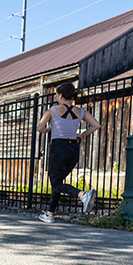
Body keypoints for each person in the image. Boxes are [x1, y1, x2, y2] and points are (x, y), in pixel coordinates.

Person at [35, 82, 101, 223]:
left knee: (56, 183)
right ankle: (49, 214)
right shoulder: (81, 111)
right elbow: (96, 125)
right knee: (57, 183)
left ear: (60, 95)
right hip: (73, 149)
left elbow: (39, 127)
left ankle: (83, 194)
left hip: (59, 148)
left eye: (56, 95)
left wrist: (48, 129)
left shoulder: (52, 110)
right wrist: (82, 134)